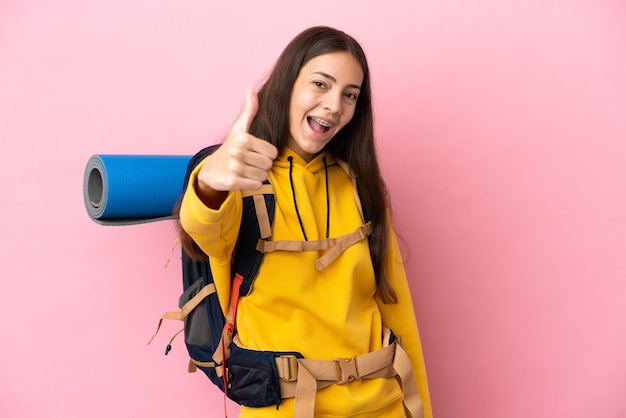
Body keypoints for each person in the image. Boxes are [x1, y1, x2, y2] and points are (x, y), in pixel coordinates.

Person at [177, 26, 432, 418]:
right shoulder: (242, 182)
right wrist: (210, 181)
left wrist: (421, 411)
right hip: (285, 409)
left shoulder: (360, 187)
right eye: (320, 84)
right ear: (288, 85)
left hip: (384, 405)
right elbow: (204, 230)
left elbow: (399, 315)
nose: (334, 105)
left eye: (350, 95)